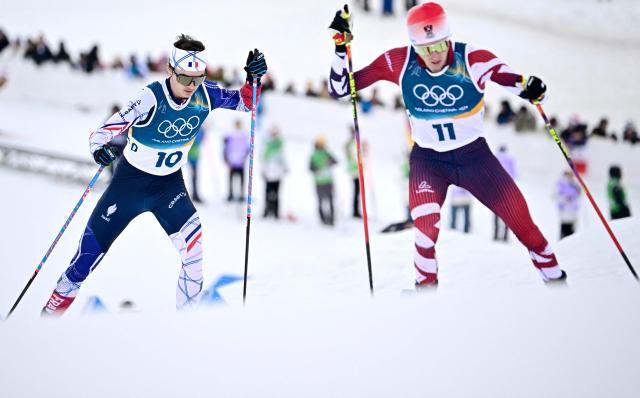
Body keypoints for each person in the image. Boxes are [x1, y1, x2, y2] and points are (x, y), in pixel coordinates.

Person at [328, 3, 566, 287]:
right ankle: (426, 298)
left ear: (448, 38)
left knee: (524, 227)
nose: (434, 55)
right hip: (429, 162)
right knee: (425, 230)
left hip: (475, 158)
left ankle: (558, 285)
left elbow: (517, 82)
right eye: (425, 49)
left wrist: (534, 88)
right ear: (414, 46)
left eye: (439, 45)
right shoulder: (400, 62)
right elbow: (341, 90)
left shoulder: (473, 59)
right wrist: (341, 49)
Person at [42, 34, 267, 315]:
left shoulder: (205, 94)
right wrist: (99, 149)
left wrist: (253, 80)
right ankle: (47, 321)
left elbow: (247, 104)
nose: (191, 86)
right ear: (170, 70)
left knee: (194, 255)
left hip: (168, 187)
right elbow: (103, 132)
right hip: (129, 186)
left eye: (197, 79)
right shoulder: (150, 97)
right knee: (84, 261)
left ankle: (186, 326)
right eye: (185, 78)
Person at [310, 135, 337, 226]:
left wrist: (329, 162)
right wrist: (317, 168)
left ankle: (331, 218)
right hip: (319, 182)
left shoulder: (327, 153)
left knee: (330, 200)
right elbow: (311, 168)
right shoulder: (313, 155)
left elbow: (335, 161)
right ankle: (323, 218)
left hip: (328, 181)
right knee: (321, 201)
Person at [262, 126, 288, 218]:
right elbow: (264, 159)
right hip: (269, 173)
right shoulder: (267, 144)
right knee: (268, 193)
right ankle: (267, 210)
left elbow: (283, 157)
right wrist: (263, 170)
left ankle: (276, 212)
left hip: (278, 173)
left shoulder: (280, 144)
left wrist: (285, 167)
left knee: (276, 194)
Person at [223, 119, 251, 202]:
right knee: (231, 178)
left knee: (241, 178)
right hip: (232, 160)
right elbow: (226, 147)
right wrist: (226, 157)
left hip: (240, 161)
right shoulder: (230, 135)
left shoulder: (244, 135)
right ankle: (231, 193)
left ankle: (241, 194)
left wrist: (246, 154)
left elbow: (247, 147)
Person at [493, 145, 516, 241]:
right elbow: (515, 174)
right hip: (507, 189)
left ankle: (495, 234)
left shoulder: (494, 157)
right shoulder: (510, 159)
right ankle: (506, 235)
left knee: (496, 212)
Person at [556, 170, 581, 238]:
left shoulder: (574, 184)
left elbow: (578, 193)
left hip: (572, 212)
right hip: (565, 211)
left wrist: (578, 190)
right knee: (564, 230)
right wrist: (565, 199)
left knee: (572, 232)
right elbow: (557, 195)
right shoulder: (561, 183)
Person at [345, 126, 362, 218]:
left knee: (357, 191)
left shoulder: (352, 143)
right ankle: (355, 211)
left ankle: (356, 210)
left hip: (356, 170)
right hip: (354, 171)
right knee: (356, 191)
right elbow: (353, 157)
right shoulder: (351, 144)